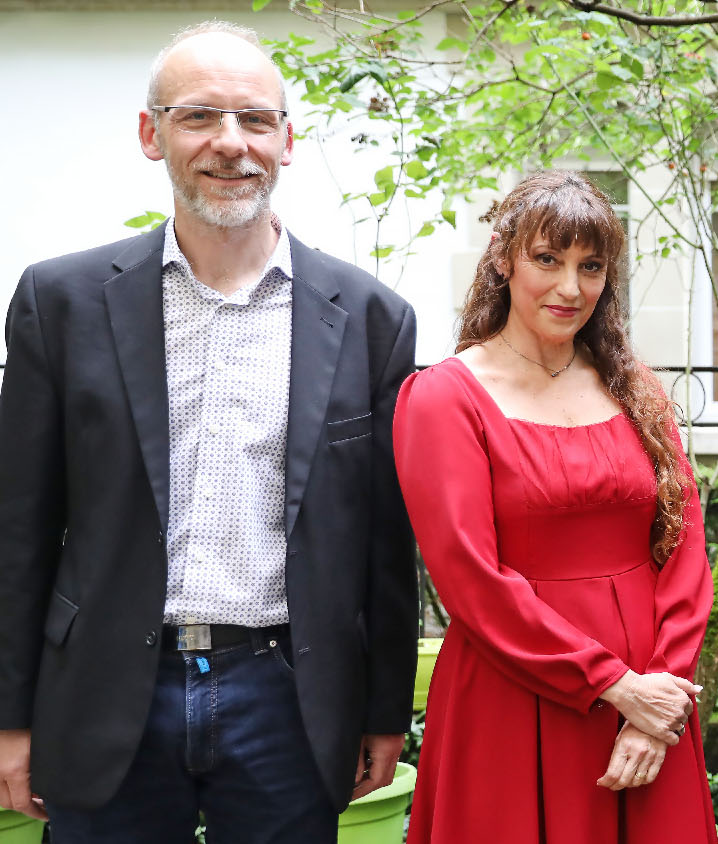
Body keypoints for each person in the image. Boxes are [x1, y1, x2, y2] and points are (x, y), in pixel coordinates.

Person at [0, 21, 417, 842]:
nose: (232, 144)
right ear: (152, 134)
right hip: (106, 692)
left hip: (288, 699)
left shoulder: (372, 320)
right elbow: (18, 532)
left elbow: (382, 542)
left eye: (256, 120)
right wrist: (10, 716)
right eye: (200, 117)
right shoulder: (62, 303)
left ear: (288, 141)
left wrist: (381, 710)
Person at [392, 170, 717, 843]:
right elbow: (469, 580)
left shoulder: (636, 391)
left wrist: (656, 701)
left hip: (650, 704)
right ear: (503, 261)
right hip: (514, 696)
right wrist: (611, 684)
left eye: (590, 267)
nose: (571, 289)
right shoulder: (445, 398)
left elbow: (685, 552)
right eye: (548, 260)